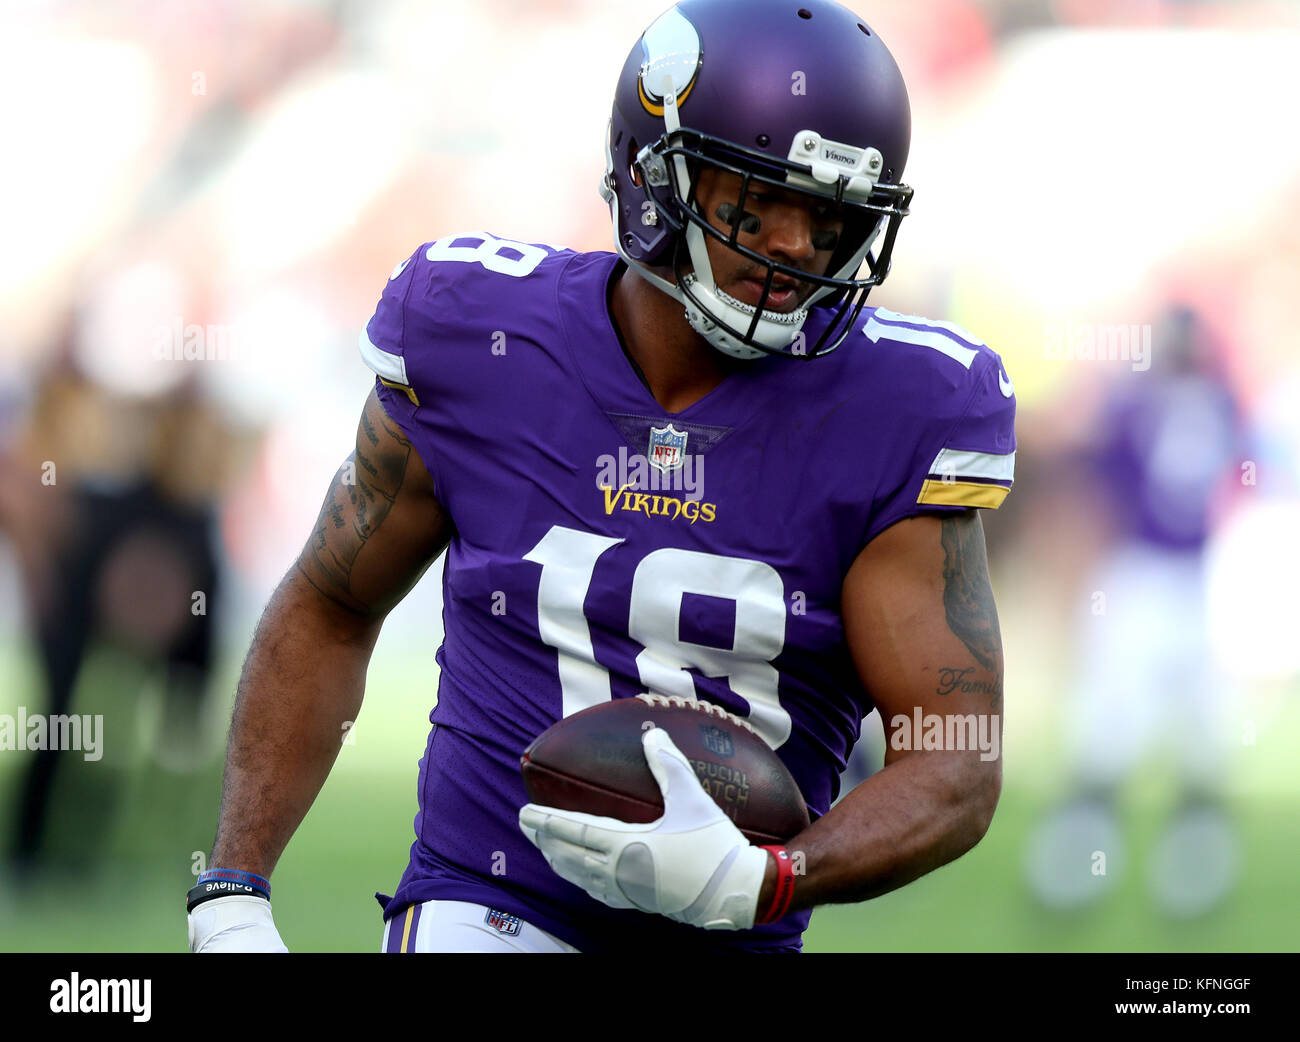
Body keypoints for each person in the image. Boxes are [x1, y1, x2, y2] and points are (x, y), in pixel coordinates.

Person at [187, 0, 1016, 954]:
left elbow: (955, 760)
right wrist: (233, 891)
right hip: (490, 899)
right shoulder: (477, 337)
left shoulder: (901, 408)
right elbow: (333, 602)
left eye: (830, 217)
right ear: (655, 179)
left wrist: (768, 878)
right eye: (758, 199)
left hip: (732, 930)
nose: (795, 245)